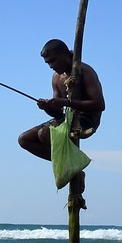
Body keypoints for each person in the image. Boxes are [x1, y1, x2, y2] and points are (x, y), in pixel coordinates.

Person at [18, 38, 105, 201]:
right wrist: (47, 107)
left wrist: (65, 102)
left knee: (45, 134)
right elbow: (56, 113)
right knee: (24, 139)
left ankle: (74, 166)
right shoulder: (56, 78)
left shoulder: (84, 71)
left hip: (87, 119)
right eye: (48, 63)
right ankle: (74, 167)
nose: (51, 66)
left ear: (65, 54)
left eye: (53, 61)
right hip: (66, 118)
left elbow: (99, 104)